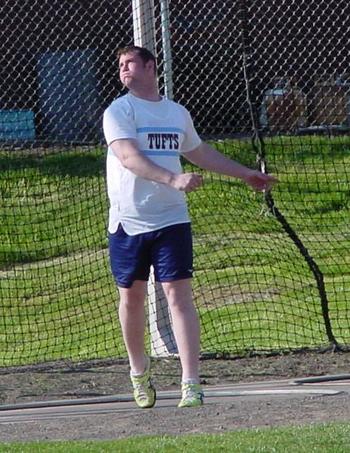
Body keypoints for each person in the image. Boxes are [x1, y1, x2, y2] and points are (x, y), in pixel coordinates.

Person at [103, 45, 277, 409]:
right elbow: (128, 157)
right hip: (129, 222)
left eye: (130, 63)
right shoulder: (119, 111)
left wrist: (245, 173)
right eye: (120, 65)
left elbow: (198, 152)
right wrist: (172, 178)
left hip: (172, 220)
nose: (123, 69)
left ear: (150, 66)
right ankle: (139, 373)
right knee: (131, 299)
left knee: (178, 297)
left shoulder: (176, 113)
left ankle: (191, 383)